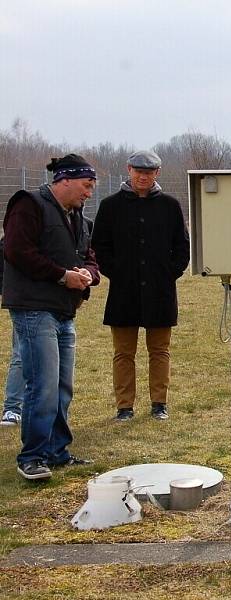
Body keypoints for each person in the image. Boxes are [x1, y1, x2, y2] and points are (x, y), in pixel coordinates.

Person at [2, 154, 100, 480]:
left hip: (63, 311)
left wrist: (87, 274)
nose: (89, 193)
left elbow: (90, 257)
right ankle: (32, 456)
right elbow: (17, 251)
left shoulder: (78, 218)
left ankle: (57, 451)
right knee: (41, 385)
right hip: (33, 309)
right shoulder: (28, 205)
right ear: (65, 180)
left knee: (61, 386)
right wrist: (62, 276)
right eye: (86, 186)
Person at [91, 150, 190, 422]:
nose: (143, 176)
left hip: (160, 292)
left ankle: (159, 403)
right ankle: (124, 406)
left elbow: (182, 247)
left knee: (159, 351)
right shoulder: (110, 206)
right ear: (129, 170)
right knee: (123, 352)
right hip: (124, 292)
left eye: (148, 172)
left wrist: (168, 273)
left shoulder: (170, 206)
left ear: (157, 173)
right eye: (138, 171)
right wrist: (117, 272)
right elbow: (99, 246)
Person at [0, 237, 24, 427]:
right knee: (21, 354)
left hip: (54, 300)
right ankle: (13, 408)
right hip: (24, 299)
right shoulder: (25, 217)